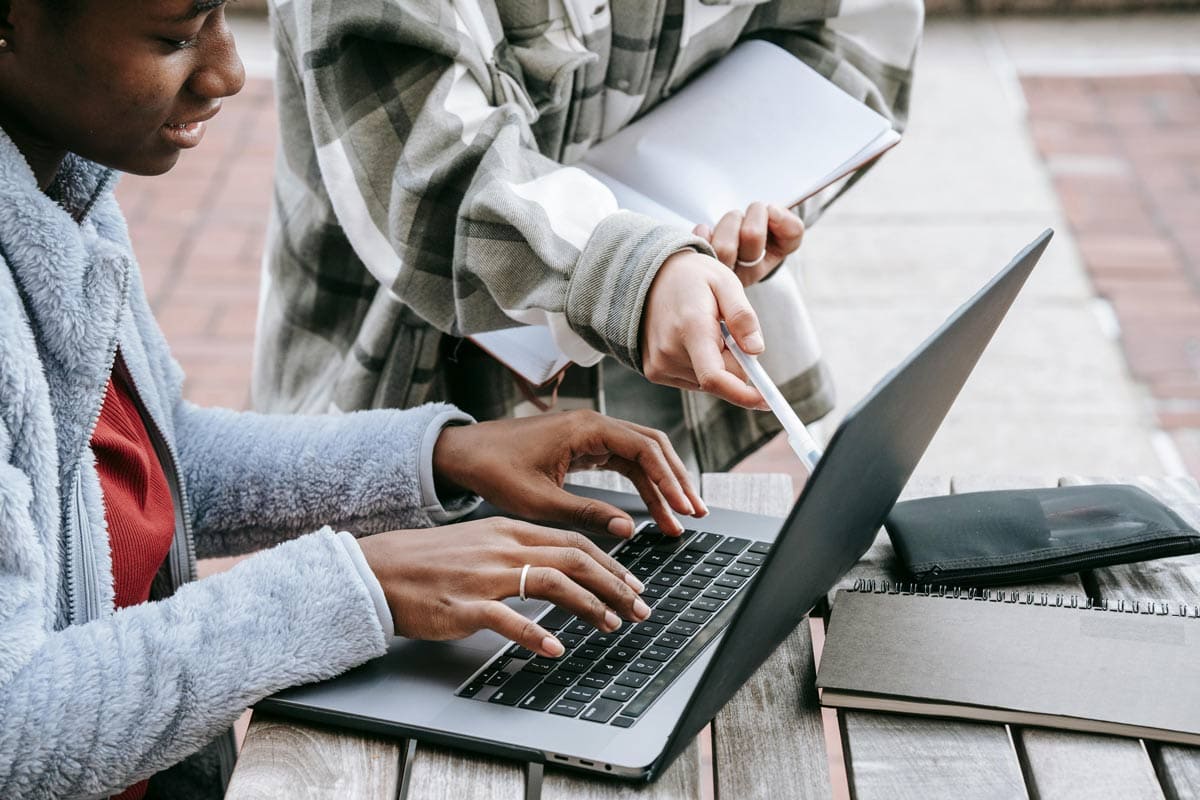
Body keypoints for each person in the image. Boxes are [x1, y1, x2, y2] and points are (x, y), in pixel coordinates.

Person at [0, 2, 708, 797]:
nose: (229, 72)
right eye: (175, 38)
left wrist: (442, 457)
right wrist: (353, 586)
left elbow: (150, 464)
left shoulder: (61, 187)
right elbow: (13, 727)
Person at [254, 0, 923, 472]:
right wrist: (636, 276)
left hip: (672, 400)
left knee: (652, 640)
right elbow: (425, 168)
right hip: (416, 407)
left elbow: (848, 37)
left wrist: (763, 200)